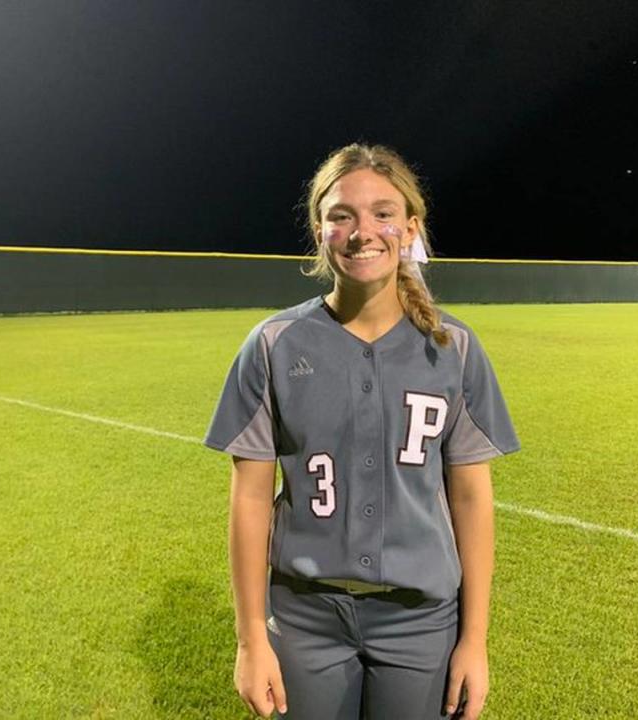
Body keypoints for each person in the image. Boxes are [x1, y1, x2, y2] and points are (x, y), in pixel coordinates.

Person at [203, 142, 520, 720]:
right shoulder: (273, 344)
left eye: (382, 213)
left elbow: (472, 497)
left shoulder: (454, 347)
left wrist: (474, 640)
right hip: (305, 618)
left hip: (421, 620)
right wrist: (251, 640)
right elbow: (250, 497)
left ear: (409, 228)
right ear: (320, 229)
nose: (362, 231)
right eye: (341, 214)